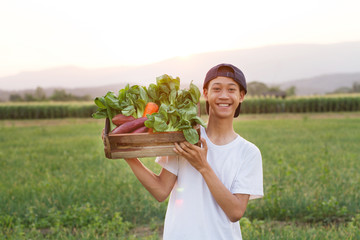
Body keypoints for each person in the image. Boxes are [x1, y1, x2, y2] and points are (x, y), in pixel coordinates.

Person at [124, 63, 263, 240]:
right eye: (217, 89)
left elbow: (235, 212)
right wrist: (129, 156)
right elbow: (161, 191)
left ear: (241, 96)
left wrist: (203, 166)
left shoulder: (248, 152)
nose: (224, 96)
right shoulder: (185, 136)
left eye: (231, 90)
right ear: (205, 93)